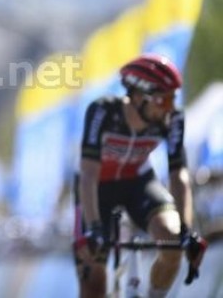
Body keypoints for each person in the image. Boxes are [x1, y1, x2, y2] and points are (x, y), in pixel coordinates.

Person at [73, 54, 208, 298]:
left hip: (138, 182)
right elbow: (88, 174)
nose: (169, 107)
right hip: (96, 189)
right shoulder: (102, 111)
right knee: (93, 279)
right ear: (137, 96)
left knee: (172, 242)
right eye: (162, 99)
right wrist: (93, 228)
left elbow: (179, 175)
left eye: (172, 99)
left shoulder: (173, 118)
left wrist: (187, 230)